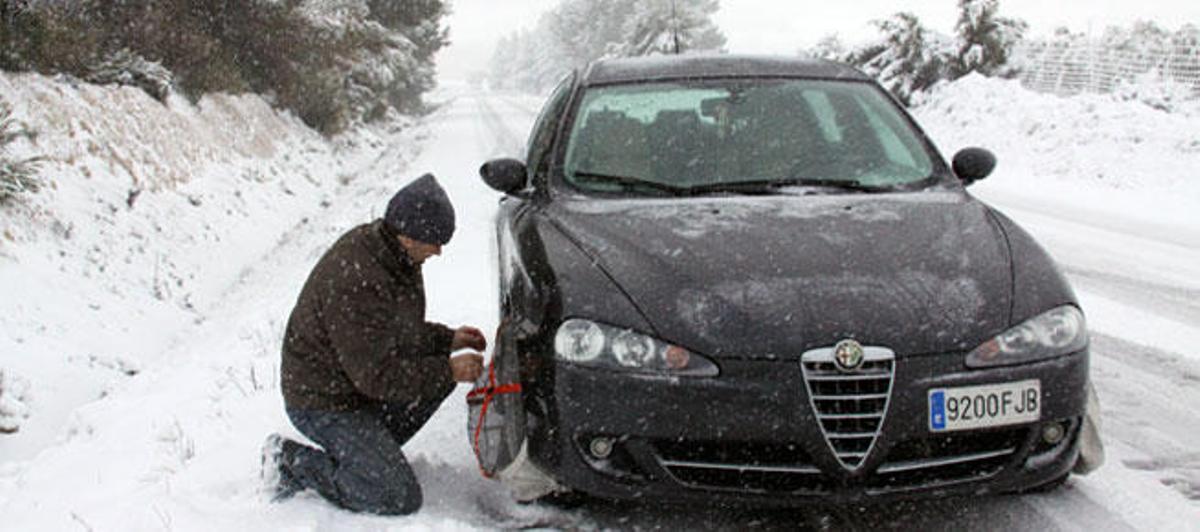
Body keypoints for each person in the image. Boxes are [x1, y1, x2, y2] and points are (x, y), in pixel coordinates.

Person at [263, 173, 486, 515]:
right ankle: (290, 462)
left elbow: (396, 332)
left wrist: (448, 338)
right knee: (396, 496)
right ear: (408, 235)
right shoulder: (359, 279)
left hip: (354, 385)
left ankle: (369, 452)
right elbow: (376, 376)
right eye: (435, 241)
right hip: (323, 401)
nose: (439, 251)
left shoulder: (394, 255)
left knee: (436, 371)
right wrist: (448, 367)